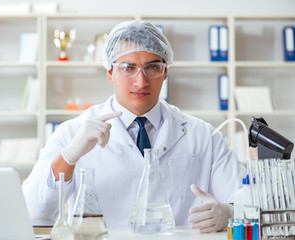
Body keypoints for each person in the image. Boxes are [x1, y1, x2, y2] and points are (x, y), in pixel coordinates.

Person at [22, 20, 246, 233]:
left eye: (153, 67)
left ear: (165, 72)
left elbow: (249, 199)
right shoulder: (72, 133)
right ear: (110, 72)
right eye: (128, 68)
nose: (141, 81)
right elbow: (32, 211)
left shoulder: (203, 135)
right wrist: (69, 157)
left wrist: (230, 212)